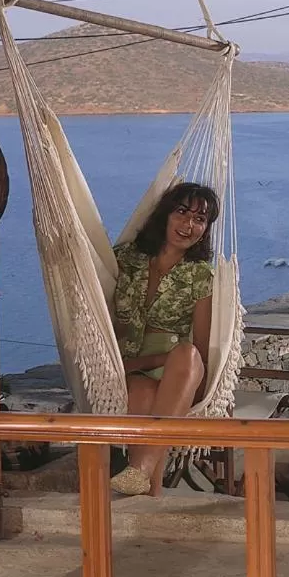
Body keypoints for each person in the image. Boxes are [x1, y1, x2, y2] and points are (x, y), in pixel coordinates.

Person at [108, 182, 218, 496]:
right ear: (165, 214)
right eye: (182, 212)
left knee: (186, 354)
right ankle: (148, 497)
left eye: (200, 219)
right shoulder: (126, 259)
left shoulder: (200, 274)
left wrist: (167, 365)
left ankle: (139, 472)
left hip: (179, 372)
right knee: (143, 397)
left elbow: (201, 349)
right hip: (130, 365)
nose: (189, 225)